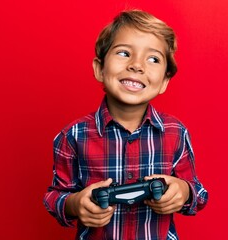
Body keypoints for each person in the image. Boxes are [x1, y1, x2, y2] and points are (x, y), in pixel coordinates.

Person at [43, 9, 208, 240]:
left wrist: (182, 191)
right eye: (124, 53)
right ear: (100, 69)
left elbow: (199, 194)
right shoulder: (73, 136)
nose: (137, 65)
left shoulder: (175, 133)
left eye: (153, 59)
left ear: (164, 82)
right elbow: (54, 197)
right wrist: (75, 204)